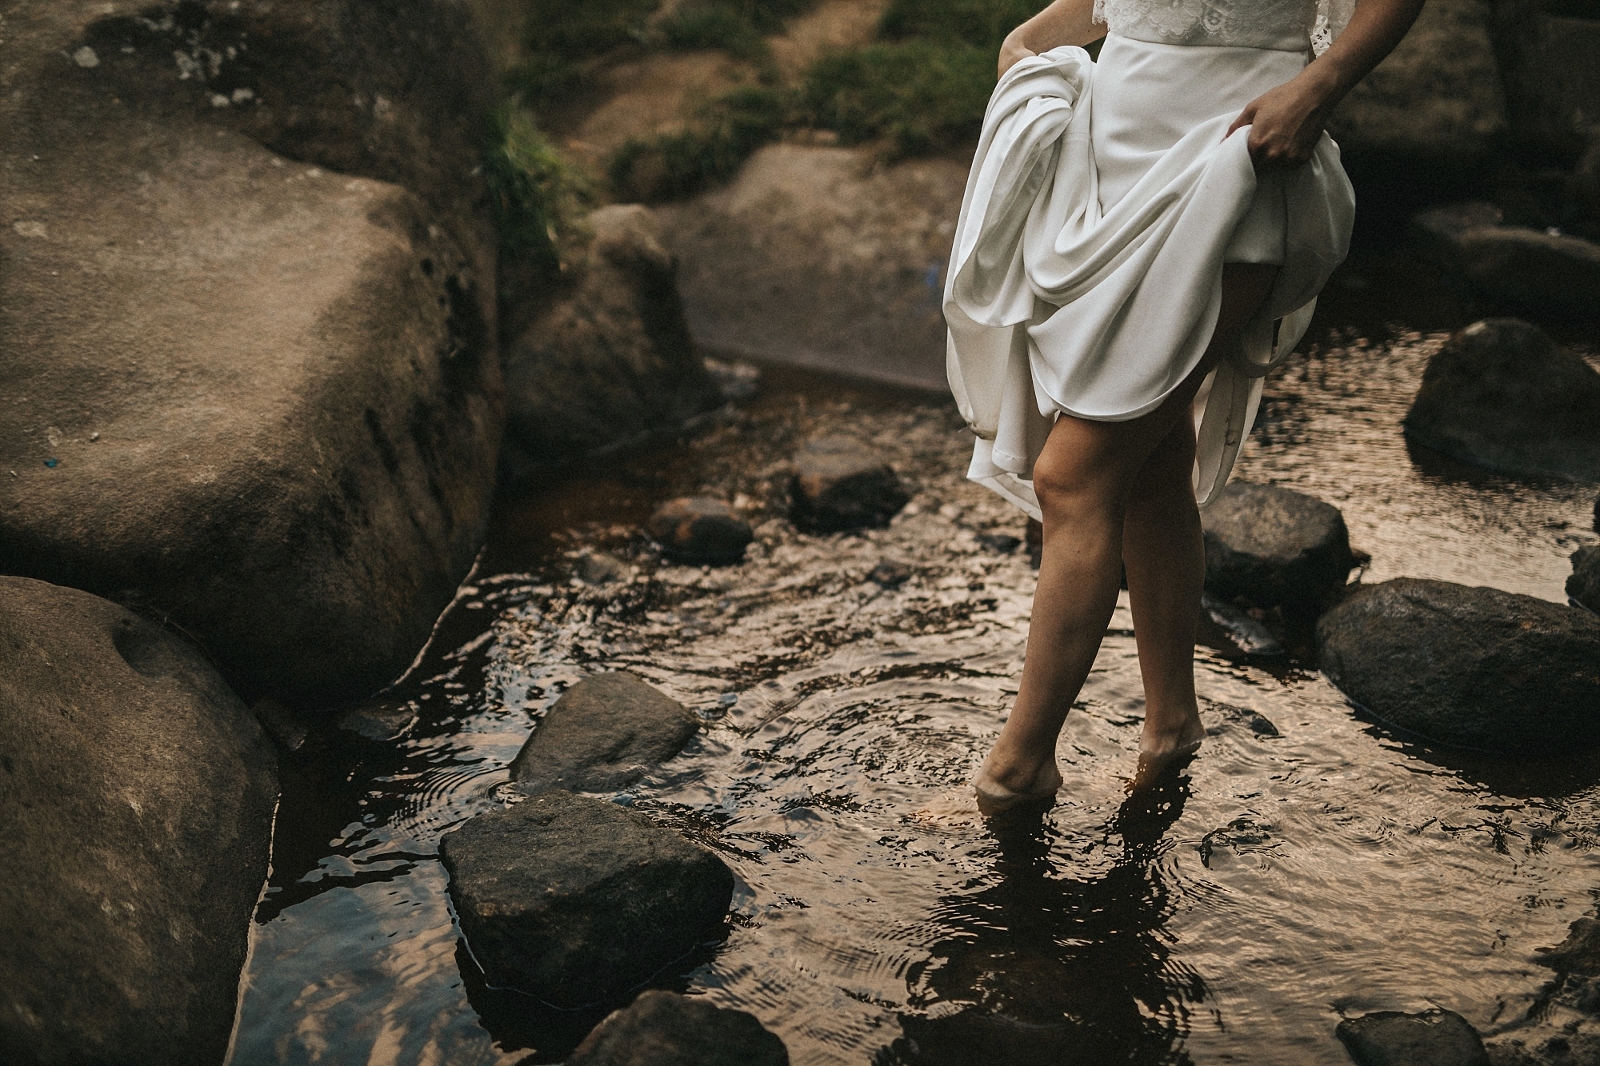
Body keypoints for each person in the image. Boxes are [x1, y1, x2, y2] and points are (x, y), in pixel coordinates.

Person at [944, 0, 1424, 813]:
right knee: (1152, 463)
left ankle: (1018, 768)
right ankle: (1170, 726)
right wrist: (1036, 35)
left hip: (1232, 158)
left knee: (1076, 475)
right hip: (1108, 166)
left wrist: (1319, 87)